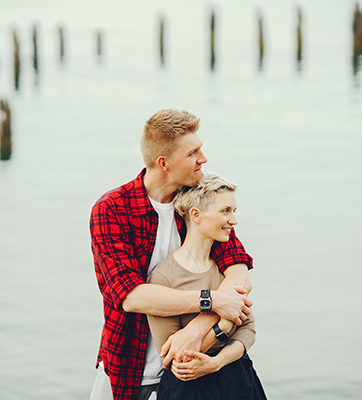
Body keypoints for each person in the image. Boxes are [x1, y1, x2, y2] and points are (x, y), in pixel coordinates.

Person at [89, 109, 254, 400]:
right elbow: (131, 297)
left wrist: (196, 330)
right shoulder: (112, 209)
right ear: (163, 163)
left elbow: (237, 270)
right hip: (128, 365)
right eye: (193, 153)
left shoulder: (198, 201)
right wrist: (212, 301)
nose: (203, 159)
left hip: (197, 366)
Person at [147, 171, 267, 399]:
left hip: (238, 378)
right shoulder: (164, 277)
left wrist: (216, 362)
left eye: (234, 211)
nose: (234, 220)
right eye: (225, 211)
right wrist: (222, 325)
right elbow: (174, 357)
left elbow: (248, 329)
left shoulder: (228, 269)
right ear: (196, 215)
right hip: (188, 386)